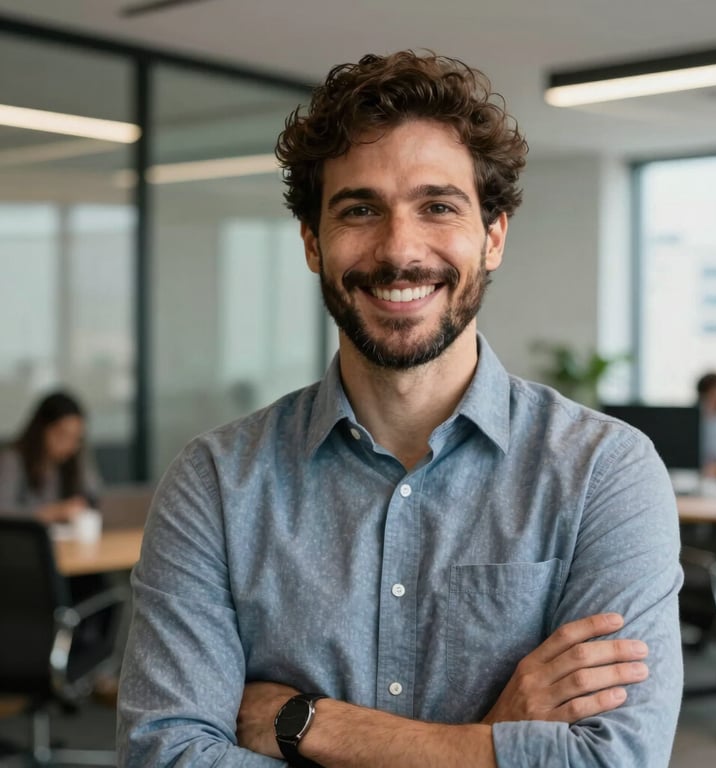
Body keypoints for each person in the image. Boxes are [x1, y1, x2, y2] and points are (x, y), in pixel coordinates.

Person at [117, 51, 683, 767]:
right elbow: (165, 756)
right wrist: (491, 743)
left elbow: (614, 760)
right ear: (312, 243)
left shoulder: (604, 472)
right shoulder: (216, 484)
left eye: (438, 206)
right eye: (360, 209)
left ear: (494, 236)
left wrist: (309, 725)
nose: (399, 250)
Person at [0, 390, 100, 521]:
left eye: (76, 438)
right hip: (26, 538)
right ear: (42, 429)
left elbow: (95, 496)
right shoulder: (13, 459)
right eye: (63, 435)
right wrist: (48, 513)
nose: (69, 444)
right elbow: (3, 511)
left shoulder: (74, 457)